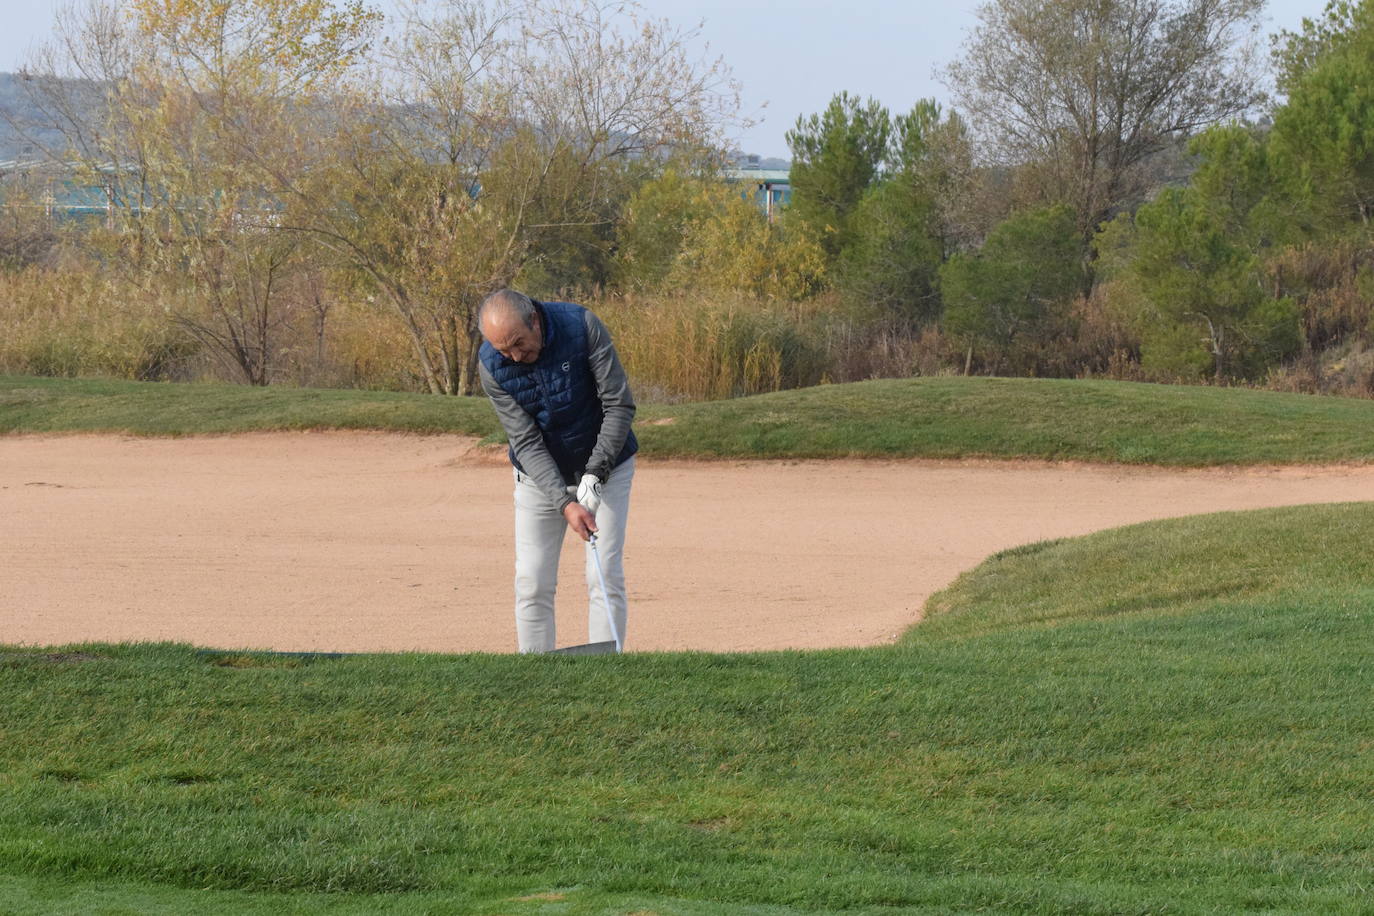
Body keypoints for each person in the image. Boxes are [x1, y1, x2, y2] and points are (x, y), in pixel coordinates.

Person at [476, 288, 637, 653]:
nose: (515, 356)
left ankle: (604, 673)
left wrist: (595, 475)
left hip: (608, 465)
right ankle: (536, 676)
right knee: (532, 580)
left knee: (603, 574)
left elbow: (619, 406)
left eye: (519, 342)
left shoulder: (581, 327)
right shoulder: (491, 365)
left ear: (534, 319)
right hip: (538, 478)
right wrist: (565, 503)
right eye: (505, 350)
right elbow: (526, 441)